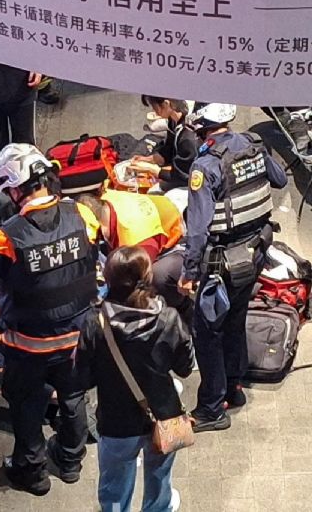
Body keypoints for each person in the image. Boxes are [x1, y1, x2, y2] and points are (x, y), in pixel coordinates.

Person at [0, 143, 99, 495]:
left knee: (26, 406)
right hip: (80, 337)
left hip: (28, 348)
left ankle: (32, 472)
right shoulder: (82, 214)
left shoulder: (6, 236)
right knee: (73, 398)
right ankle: (70, 461)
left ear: (15, 189)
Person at [180, 103, 288, 431]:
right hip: (256, 252)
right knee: (236, 319)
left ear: (201, 124)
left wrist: (189, 271)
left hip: (222, 264)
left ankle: (212, 409)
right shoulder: (253, 143)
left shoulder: (206, 166)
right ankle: (234, 387)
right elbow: (280, 179)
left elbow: (197, 230)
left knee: (207, 331)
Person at [78, 246, 194, 512]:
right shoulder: (168, 319)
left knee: (114, 484)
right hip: (163, 415)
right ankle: (158, 508)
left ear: (108, 278)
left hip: (116, 421)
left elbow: (83, 378)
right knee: (159, 475)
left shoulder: (95, 323)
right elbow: (185, 368)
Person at [77, 190, 189, 319]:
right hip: (155, 224)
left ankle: (180, 309)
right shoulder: (107, 199)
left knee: (156, 276)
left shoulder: (135, 237)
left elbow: (141, 279)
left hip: (178, 241)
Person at [129, 97, 200, 197]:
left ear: (167, 104)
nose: (154, 111)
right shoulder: (173, 120)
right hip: (181, 169)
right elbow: (169, 149)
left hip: (195, 180)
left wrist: (152, 169)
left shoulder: (188, 136)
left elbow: (182, 176)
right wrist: (148, 159)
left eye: (155, 107)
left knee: (155, 193)